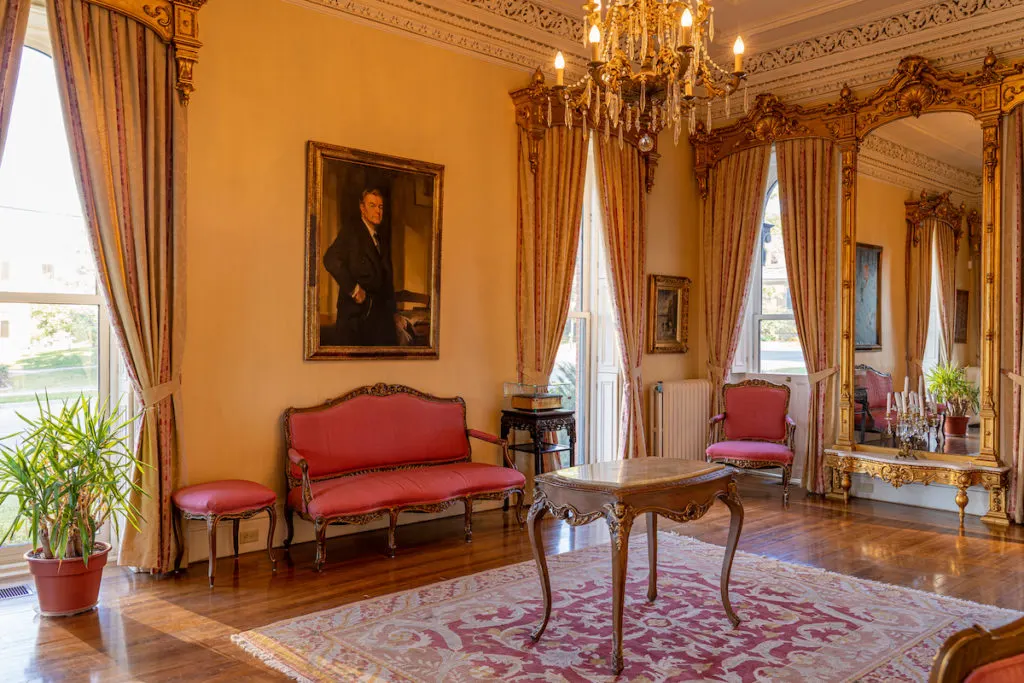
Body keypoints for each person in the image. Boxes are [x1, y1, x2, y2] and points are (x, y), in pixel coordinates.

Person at [323, 188, 399, 346]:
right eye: (372, 205)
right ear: (362, 208)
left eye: (380, 207)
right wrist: (354, 289)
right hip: (356, 317)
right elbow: (330, 259)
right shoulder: (352, 233)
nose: (378, 211)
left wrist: (394, 312)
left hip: (379, 318)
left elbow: (386, 279)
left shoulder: (381, 239)